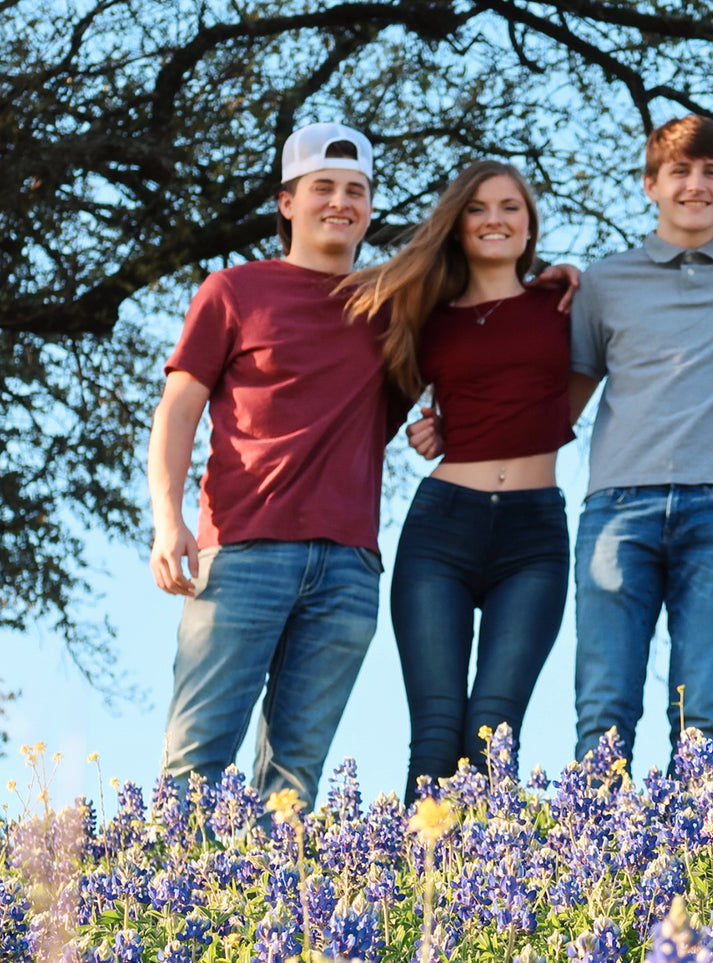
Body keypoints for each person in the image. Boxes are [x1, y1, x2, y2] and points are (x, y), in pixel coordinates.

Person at [147, 121, 404, 808]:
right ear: (287, 202)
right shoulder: (232, 291)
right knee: (196, 759)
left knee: (293, 780)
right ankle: (164, 908)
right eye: (322, 187)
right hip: (242, 556)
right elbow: (177, 409)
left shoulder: (391, 304)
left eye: (356, 190)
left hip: (349, 568)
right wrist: (167, 521)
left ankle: (271, 915)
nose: (340, 203)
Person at [568, 115, 713, 767]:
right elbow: (566, 397)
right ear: (649, 185)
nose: (695, 185)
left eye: (711, 173)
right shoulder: (603, 281)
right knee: (604, 706)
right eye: (679, 172)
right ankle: (596, 860)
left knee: (704, 712)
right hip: (616, 508)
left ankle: (699, 858)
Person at [345, 161, 575, 802]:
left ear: (530, 226)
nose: (495, 220)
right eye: (478, 209)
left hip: (534, 536)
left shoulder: (563, 302)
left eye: (510, 207)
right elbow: (370, 405)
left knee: (494, 734)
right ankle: (424, 892)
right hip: (443, 529)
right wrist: (432, 428)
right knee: (437, 734)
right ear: (456, 225)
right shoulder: (425, 316)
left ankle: (489, 893)